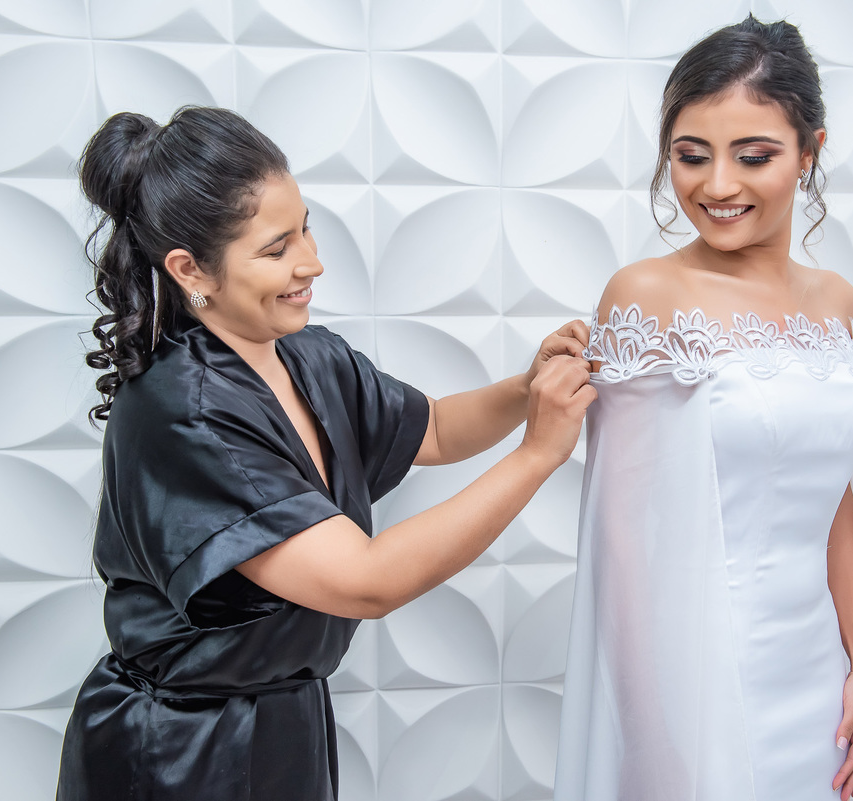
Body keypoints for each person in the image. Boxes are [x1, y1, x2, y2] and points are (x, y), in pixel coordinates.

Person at [55, 106, 595, 801]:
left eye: (305, 226)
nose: (311, 261)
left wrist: (527, 387)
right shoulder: (182, 413)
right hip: (178, 752)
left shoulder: (309, 356)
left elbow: (429, 428)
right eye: (276, 248)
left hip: (286, 725)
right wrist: (538, 455)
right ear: (192, 269)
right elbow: (366, 581)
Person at [554, 16, 853, 801]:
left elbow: (828, 486)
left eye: (754, 155)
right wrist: (654, 737)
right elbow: (623, 552)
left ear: (811, 150)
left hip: (815, 673)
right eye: (690, 156)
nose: (717, 185)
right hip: (698, 678)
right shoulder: (647, 296)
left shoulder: (836, 301)